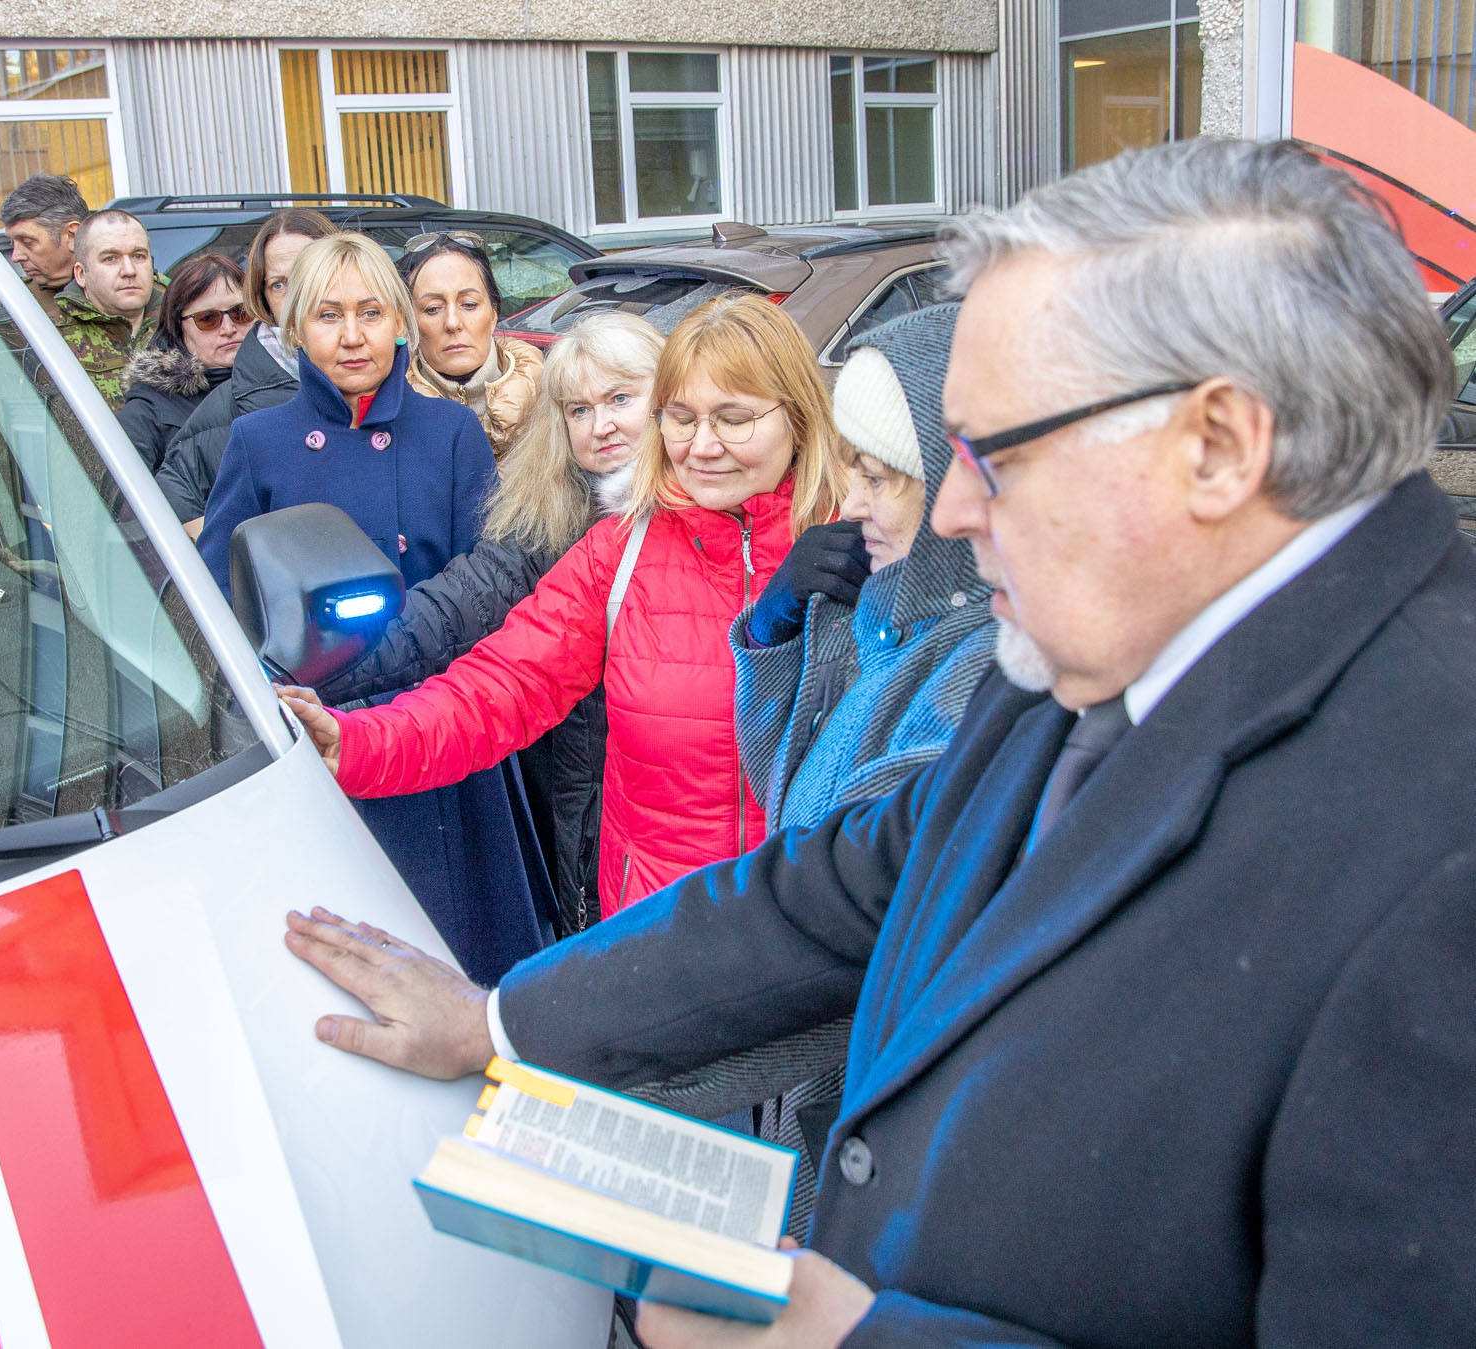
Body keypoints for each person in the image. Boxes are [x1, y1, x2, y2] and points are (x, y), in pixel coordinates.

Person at [281, 137, 1476, 1347]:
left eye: (993, 455)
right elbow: (838, 889)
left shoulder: (1443, 848)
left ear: (1214, 448)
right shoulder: (1087, 651)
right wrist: (499, 1021)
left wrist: (848, 1339)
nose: (953, 511)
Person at [281, 293, 842, 918]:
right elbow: (503, 686)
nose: (703, 445)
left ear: (797, 415)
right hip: (663, 934)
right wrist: (359, 743)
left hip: (824, 932)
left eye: (734, 418)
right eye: (682, 418)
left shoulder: (865, 546)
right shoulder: (618, 553)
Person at [199, 232, 546, 987]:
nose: (351, 335)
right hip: (318, 737)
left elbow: (486, 587)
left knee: (463, 950)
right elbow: (219, 599)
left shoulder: (451, 433)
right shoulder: (259, 441)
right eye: (327, 315)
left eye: (368, 312)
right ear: (294, 326)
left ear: (398, 322)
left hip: (439, 733)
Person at [717, 303, 997, 1237]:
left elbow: (844, 880)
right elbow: (780, 788)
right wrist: (777, 624)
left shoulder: (981, 666)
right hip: (800, 1074)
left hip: (853, 1094)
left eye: (881, 477)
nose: (851, 506)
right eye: (851, 473)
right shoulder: (877, 608)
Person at [315, 314, 666, 936]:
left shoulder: (750, 523)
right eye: (578, 410)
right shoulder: (554, 521)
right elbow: (452, 615)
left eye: (620, 398)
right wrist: (319, 667)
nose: (601, 425)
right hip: (594, 824)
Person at [159, 209, 338, 534]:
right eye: (279, 284)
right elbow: (174, 499)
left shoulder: (411, 378)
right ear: (264, 299)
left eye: (309, 274)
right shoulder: (228, 410)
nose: (297, 295)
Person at [400, 232, 544, 460]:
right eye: (432, 308)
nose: (452, 323)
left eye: (469, 304)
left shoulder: (548, 395)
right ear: (408, 323)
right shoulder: (391, 412)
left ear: (493, 313)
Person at [116, 252, 246, 472]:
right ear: (178, 329)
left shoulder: (288, 381)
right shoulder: (146, 411)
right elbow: (121, 497)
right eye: (208, 319)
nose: (228, 329)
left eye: (240, 313)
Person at [57, 208, 161, 412]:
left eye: (139, 256)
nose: (129, 271)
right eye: (110, 259)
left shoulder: (184, 322)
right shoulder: (52, 337)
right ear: (81, 274)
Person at [0, 173, 87, 329]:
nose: (15, 256)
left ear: (72, 235)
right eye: (12, 243)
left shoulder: (124, 288)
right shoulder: (12, 300)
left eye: (27, 242)